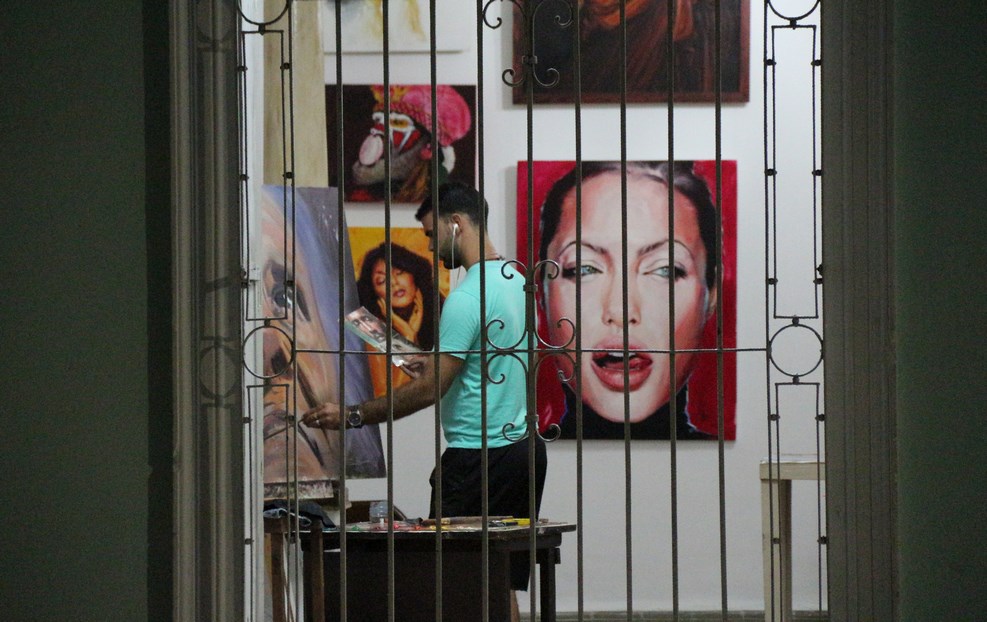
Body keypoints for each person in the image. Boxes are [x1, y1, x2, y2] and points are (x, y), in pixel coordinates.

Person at [303, 182, 547, 607]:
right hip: (521, 450)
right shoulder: (516, 282)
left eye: (433, 234)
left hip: (477, 460)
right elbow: (493, 362)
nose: (431, 246)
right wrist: (432, 364)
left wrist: (353, 415)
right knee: (499, 580)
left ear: (457, 225)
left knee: (454, 585)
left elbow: (432, 389)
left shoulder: (467, 297)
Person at [537, 161, 718, 439]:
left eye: (666, 270)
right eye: (583, 268)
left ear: (711, 293)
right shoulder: (524, 457)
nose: (621, 311)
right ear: (542, 290)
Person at [356, 242, 445, 394]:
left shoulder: (443, 309)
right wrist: (408, 336)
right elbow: (389, 398)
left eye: (399, 272)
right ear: (374, 293)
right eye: (382, 281)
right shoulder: (370, 328)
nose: (393, 283)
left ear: (414, 274)